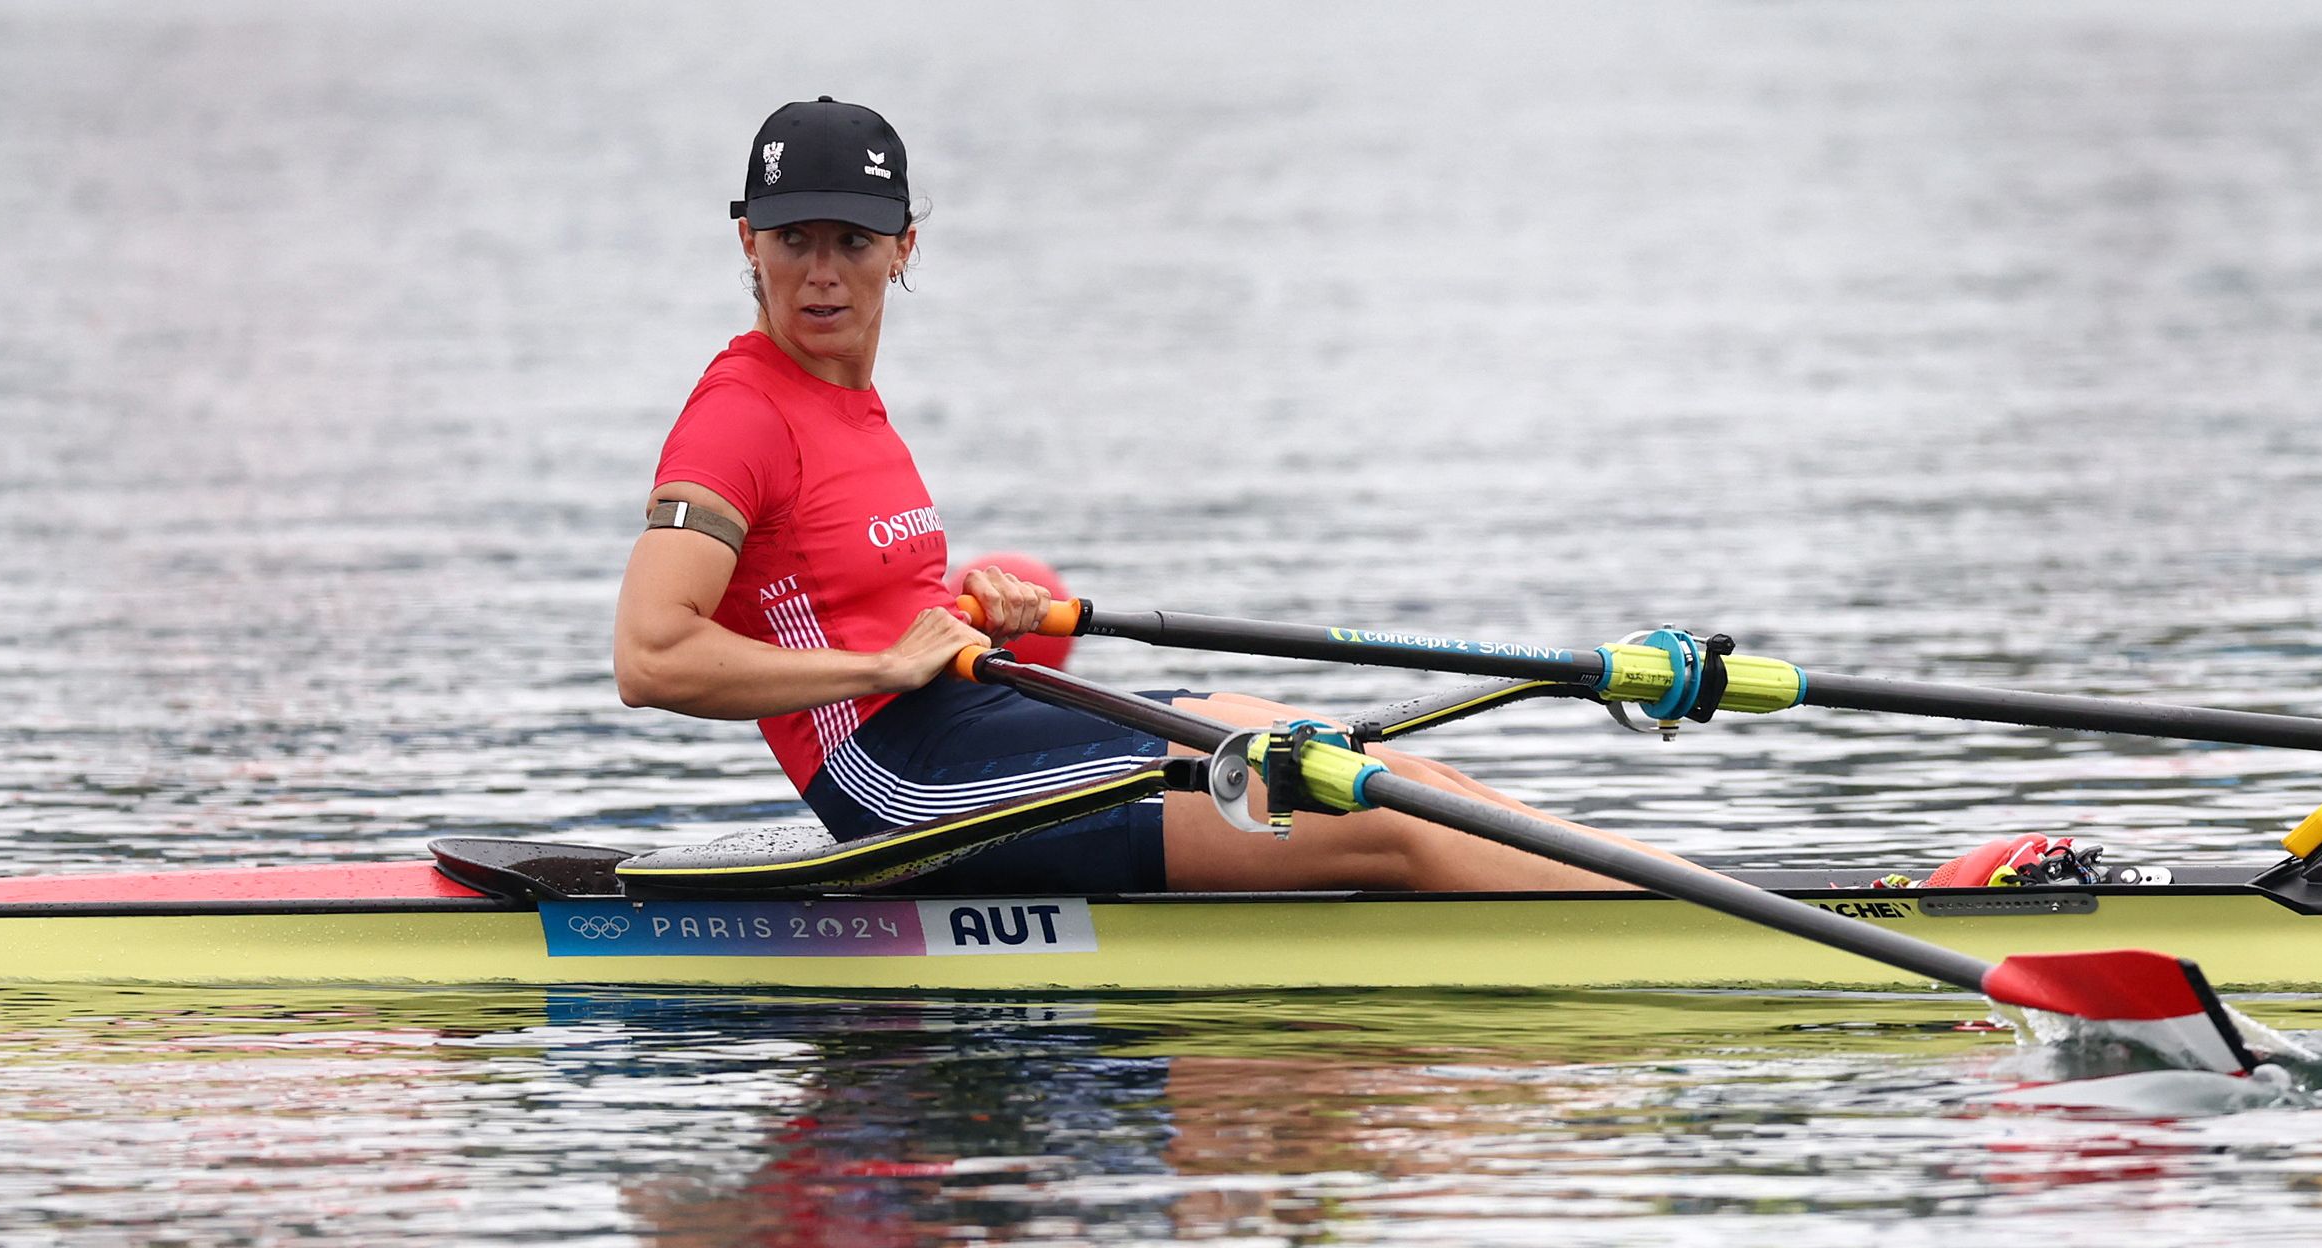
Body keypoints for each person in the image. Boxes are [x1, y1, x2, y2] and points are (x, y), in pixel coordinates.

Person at [614, 97, 1678, 895]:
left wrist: (969, 601)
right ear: (745, 240)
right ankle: (1686, 944)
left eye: (850, 240)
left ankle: (1700, 892)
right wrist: (880, 663)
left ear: (903, 247)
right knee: (1387, 825)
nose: (821, 273)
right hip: (894, 780)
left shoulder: (846, 396)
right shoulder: (738, 415)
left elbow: (831, 577)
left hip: (973, 715)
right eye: (792, 239)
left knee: (1376, 767)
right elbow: (651, 655)